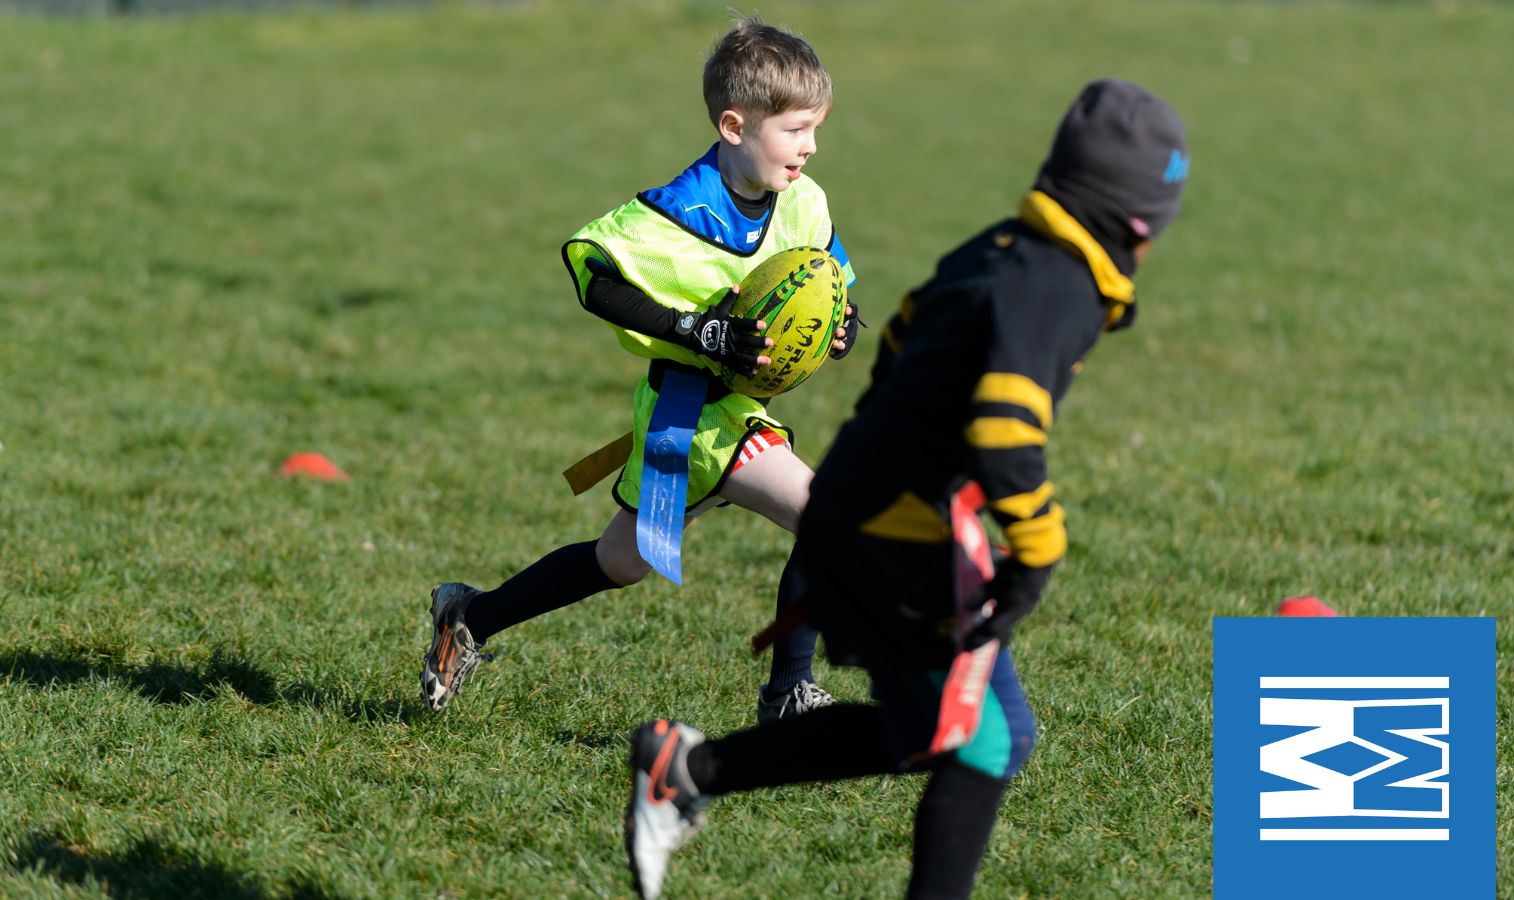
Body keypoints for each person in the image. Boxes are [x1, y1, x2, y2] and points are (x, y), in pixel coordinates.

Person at [623, 78, 1189, 899]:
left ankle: (691, 768)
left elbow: (899, 341)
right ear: (1140, 222)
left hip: (884, 511)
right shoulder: (1057, 284)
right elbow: (1003, 430)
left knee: (958, 734)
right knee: (980, 743)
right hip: (893, 529)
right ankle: (693, 770)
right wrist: (1038, 547)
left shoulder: (1004, 248)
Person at [419, 16, 859, 723]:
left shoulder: (803, 201)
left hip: (735, 414)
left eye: (816, 129)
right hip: (689, 415)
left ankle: (468, 617)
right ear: (735, 125)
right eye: (795, 130)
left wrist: (841, 325)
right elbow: (593, 274)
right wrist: (698, 330)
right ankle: (788, 696)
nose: (809, 147)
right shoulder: (676, 212)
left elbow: (829, 279)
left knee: (619, 561)